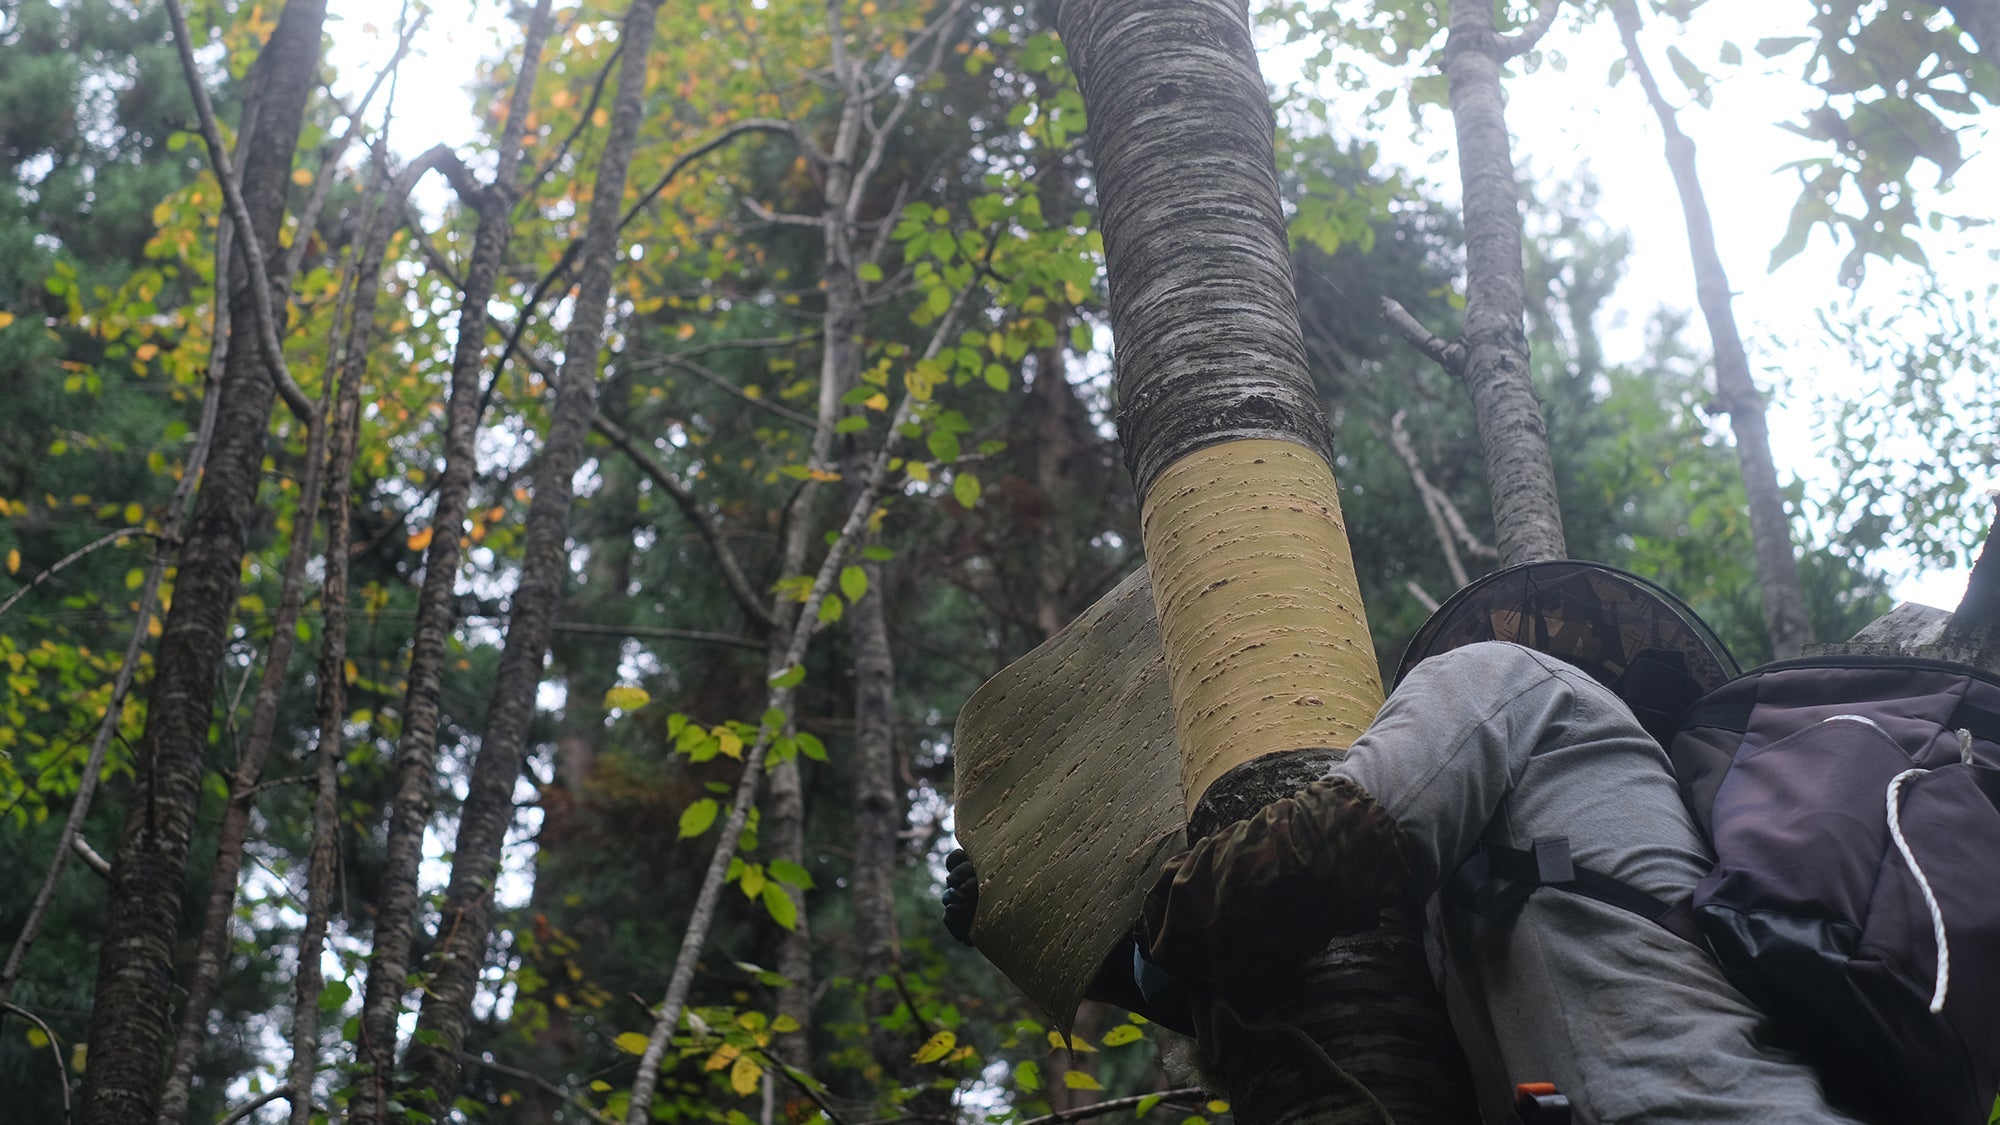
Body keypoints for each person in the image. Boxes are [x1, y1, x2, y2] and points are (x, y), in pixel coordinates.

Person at [948, 562, 1863, 1124]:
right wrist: (1112, 968)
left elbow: (1335, 840)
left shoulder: (1500, 672)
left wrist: (1111, 911)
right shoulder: (1534, 875)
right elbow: (1350, 1009)